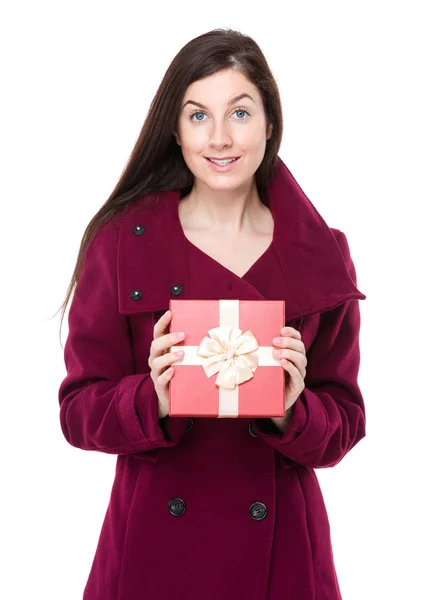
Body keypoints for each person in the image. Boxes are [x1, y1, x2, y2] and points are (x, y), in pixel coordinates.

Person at [57, 27, 367, 600]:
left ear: (270, 123)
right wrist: (154, 398)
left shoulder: (321, 253)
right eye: (198, 115)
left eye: (240, 113)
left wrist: (291, 408)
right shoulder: (121, 244)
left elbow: (345, 422)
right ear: (173, 130)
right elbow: (77, 412)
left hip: (283, 561)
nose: (220, 137)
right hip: (154, 550)